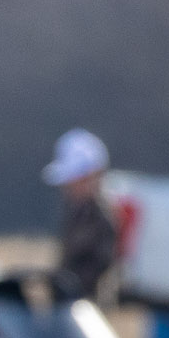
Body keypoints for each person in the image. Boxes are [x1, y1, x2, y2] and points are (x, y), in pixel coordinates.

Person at [42, 128, 119, 304]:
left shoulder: (101, 216)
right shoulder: (74, 212)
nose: (68, 187)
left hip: (90, 306)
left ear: (94, 177)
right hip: (68, 304)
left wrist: (69, 288)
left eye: (77, 180)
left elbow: (101, 266)